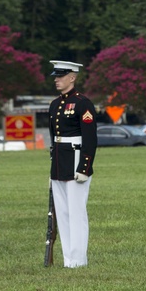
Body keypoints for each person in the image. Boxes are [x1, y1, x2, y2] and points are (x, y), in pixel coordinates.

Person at [47, 60, 98, 268]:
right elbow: (53, 138)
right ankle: (68, 258)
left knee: (76, 212)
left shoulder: (82, 103)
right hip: (60, 160)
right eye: (55, 76)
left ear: (73, 77)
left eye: (61, 76)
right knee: (62, 212)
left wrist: (85, 167)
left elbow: (90, 138)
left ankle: (78, 259)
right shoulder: (55, 104)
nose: (57, 80)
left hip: (76, 159)